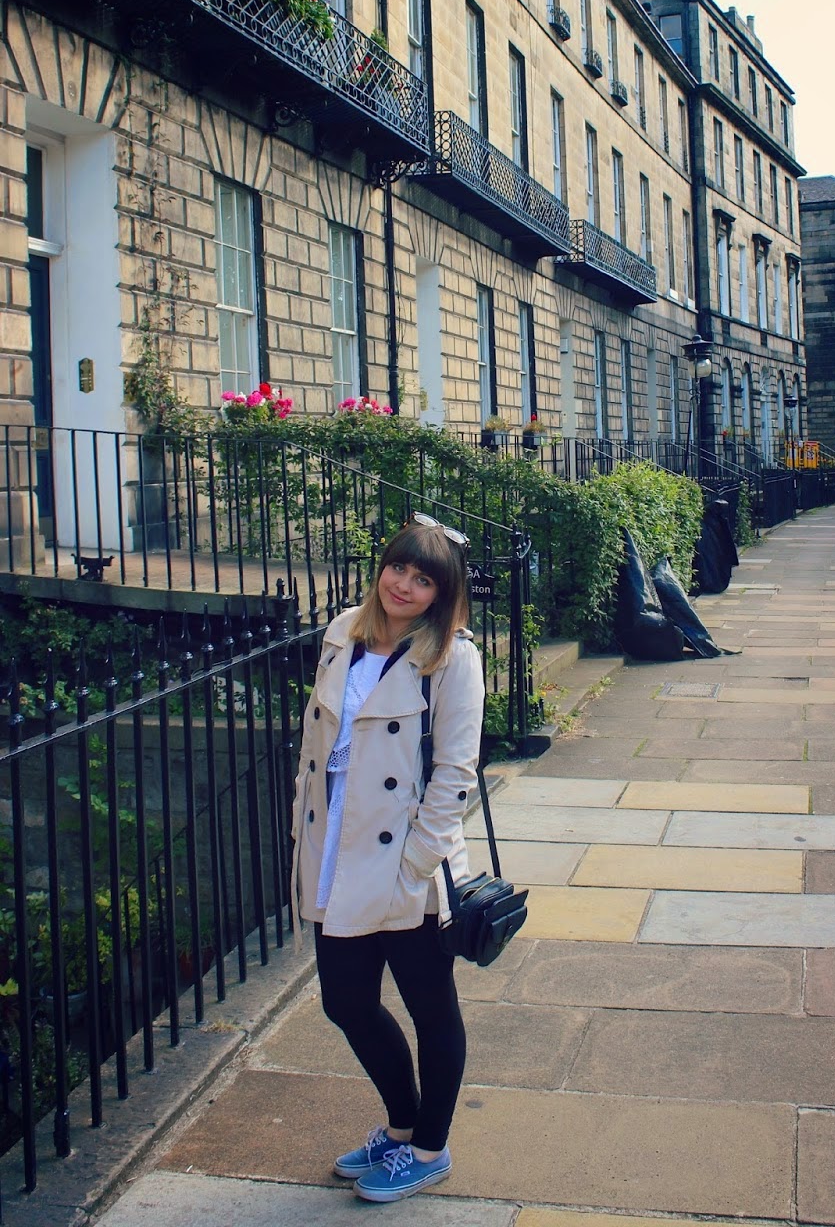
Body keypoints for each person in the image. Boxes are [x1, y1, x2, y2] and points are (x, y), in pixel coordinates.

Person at [290, 514, 484, 1203]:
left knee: (431, 1008)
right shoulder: (343, 632)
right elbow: (318, 745)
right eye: (398, 568)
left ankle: (429, 1147)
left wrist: (417, 863)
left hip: (407, 862)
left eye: (423, 579)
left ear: (442, 594)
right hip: (335, 847)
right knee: (346, 1002)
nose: (404, 585)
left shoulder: (452, 658)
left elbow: (455, 772)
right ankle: (401, 1125)